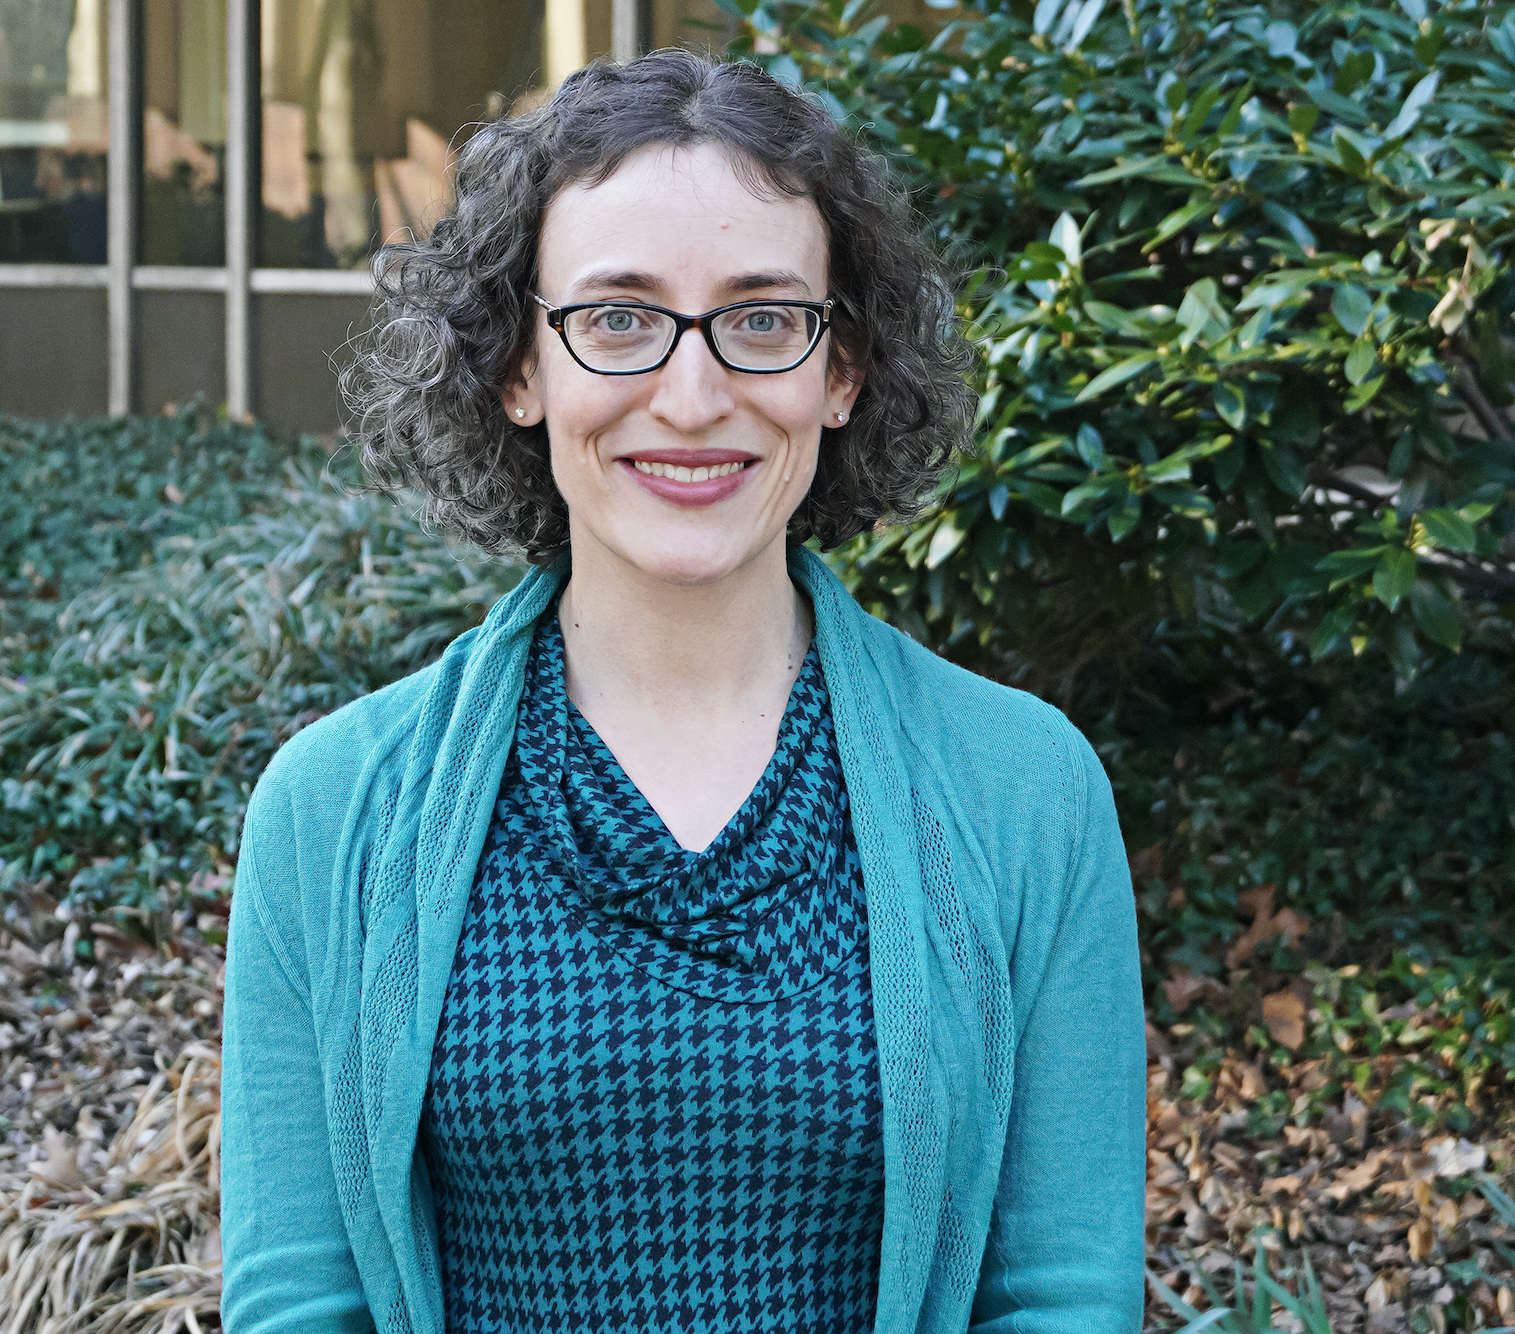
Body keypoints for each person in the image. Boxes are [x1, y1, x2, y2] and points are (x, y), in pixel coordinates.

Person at [220, 49, 1145, 1334]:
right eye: (617, 317)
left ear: (842, 371)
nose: (693, 395)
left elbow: (1057, 1294)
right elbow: (300, 1300)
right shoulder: (329, 811)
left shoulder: (1025, 791)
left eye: (762, 317)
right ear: (516, 369)